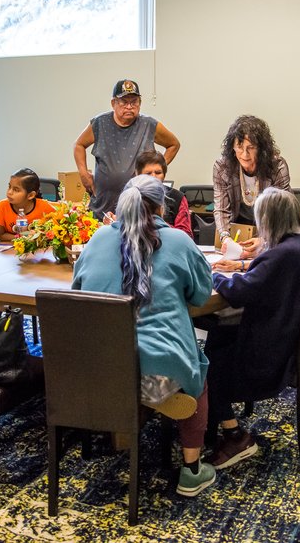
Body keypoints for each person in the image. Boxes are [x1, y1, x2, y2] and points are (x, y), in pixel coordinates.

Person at [72, 175, 216, 497]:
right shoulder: (178, 242)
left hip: (100, 368)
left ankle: (133, 401)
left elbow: (77, 290)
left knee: (124, 361)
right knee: (199, 368)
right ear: (162, 206)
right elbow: (201, 295)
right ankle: (192, 470)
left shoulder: (96, 240)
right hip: (160, 364)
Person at [205, 187, 300, 468]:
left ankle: (235, 436)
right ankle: (211, 421)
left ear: (269, 220)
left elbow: (240, 292)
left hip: (267, 353)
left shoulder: (281, 255)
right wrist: (243, 264)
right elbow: (266, 272)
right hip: (285, 337)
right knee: (217, 335)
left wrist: (213, 275)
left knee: (206, 362)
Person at [73, 79, 181, 219]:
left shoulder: (149, 125)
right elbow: (78, 145)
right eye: (124, 102)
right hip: (103, 205)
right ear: (113, 103)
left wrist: (156, 170)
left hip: (138, 207)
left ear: (140, 103)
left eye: (134, 102)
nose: (129, 106)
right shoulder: (100, 123)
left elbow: (174, 144)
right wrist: (83, 174)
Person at [212, 115, 290, 257]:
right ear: (232, 148)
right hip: (238, 228)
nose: (245, 154)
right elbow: (221, 209)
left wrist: (265, 240)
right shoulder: (222, 167)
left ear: (261, 149)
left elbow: (283, 213)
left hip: (270, 228)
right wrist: (225, 238)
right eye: (239, 147)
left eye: (251, 148)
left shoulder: (277, 166)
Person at [135, 149, 192, 238]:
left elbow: (186, 235)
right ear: (138, 174)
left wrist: (160, 226)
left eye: (158, 173)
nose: (153, 177)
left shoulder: (177, 198)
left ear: (164, 174)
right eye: (148, 173)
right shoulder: (131, 196)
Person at [0, 167, 56, 241]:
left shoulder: (46, 208)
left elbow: (54, 231)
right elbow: (1, 235)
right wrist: (23, 238)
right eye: (9, 187)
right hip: (12, 250)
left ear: (30, 195)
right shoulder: (2, 207)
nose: (9, 192)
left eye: (16, 190)